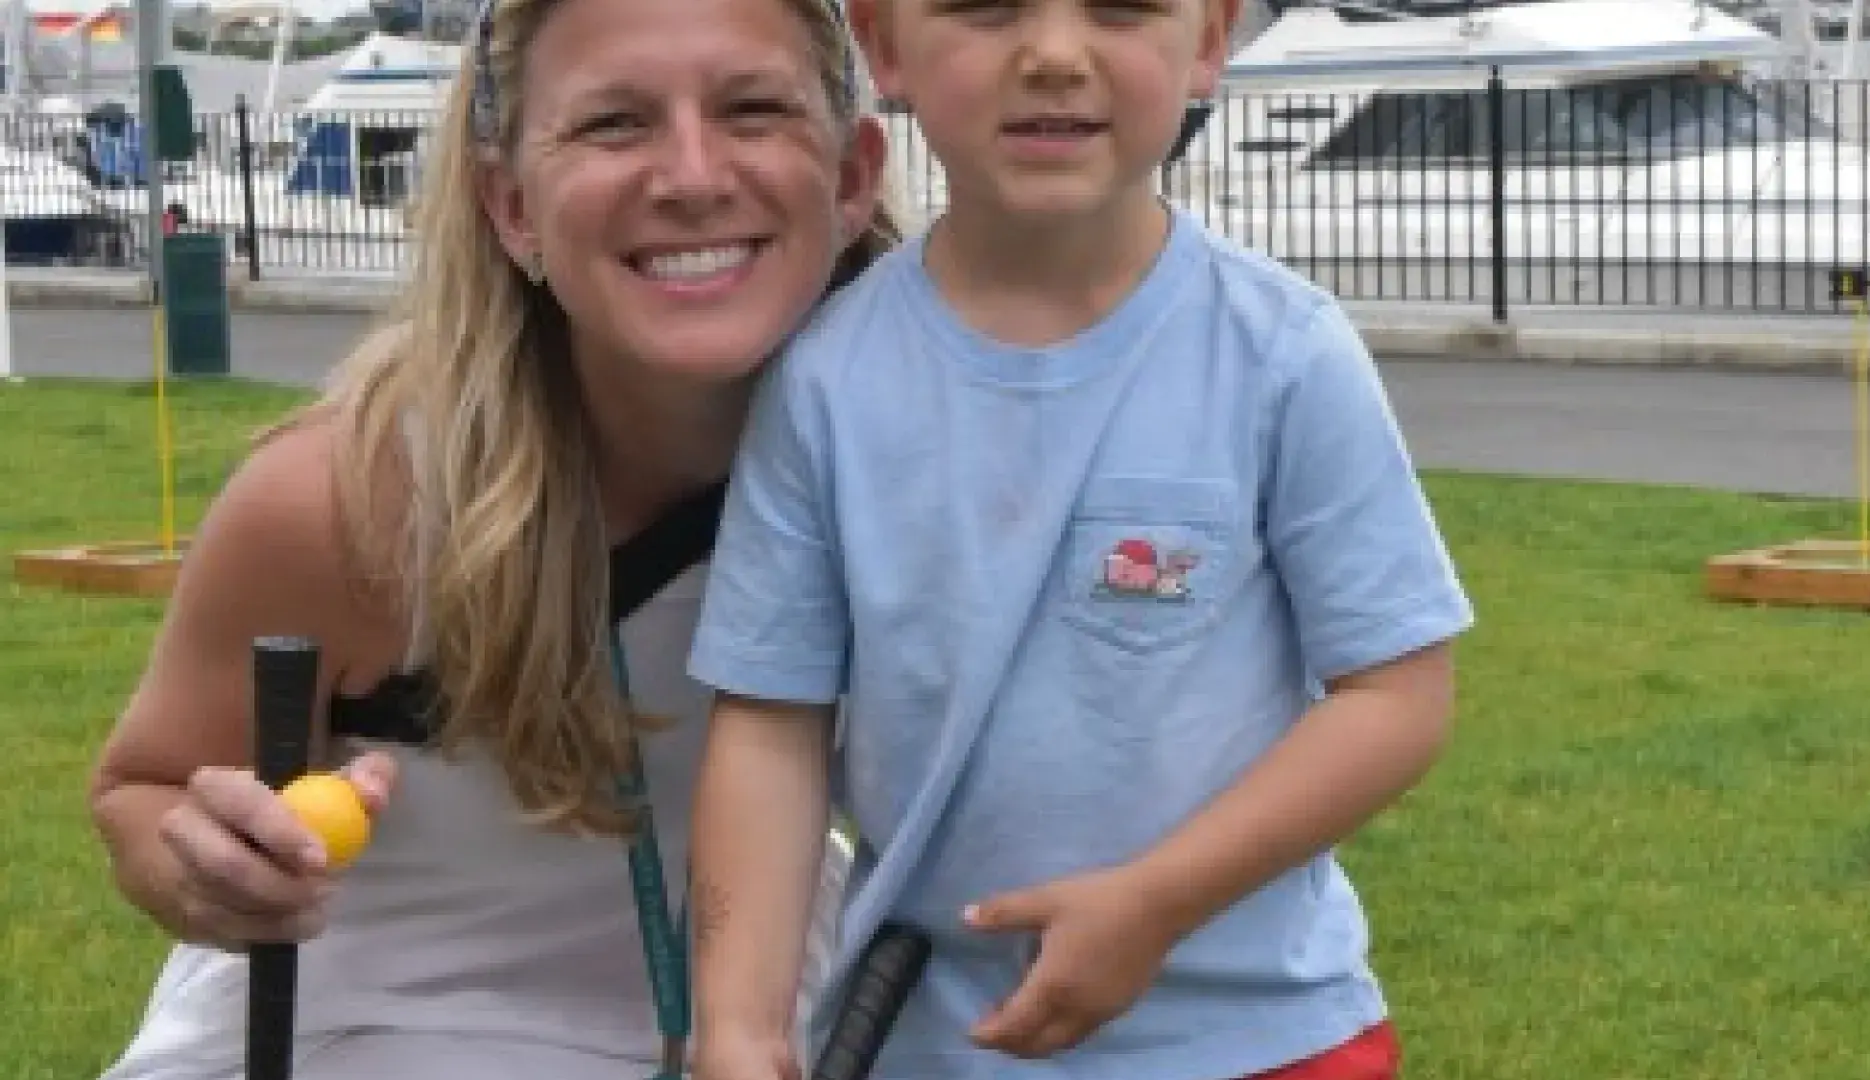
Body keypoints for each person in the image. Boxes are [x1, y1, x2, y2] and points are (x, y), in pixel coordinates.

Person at [84, 0, 897, 1074]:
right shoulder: (351, 497)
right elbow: (140, 790)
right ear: (510, 204)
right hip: (365, 1044)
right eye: (615, 124)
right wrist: (204, 864)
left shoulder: (925, 473)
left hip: (752, 1041)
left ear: (850, 175)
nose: (694, 174)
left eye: (753, 109)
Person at [684, 2, 1474, 1080]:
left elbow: (1398, 696)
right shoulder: (827, 383)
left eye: (1119, 4)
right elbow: (772, 721)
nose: (1054, 54)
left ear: (1208, 42)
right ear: (883, 45)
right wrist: (735, 1026)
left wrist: (1159, 901)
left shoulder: (1283, 355)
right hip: (926, 1044)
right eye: (985, 4)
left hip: (1264, 1042)